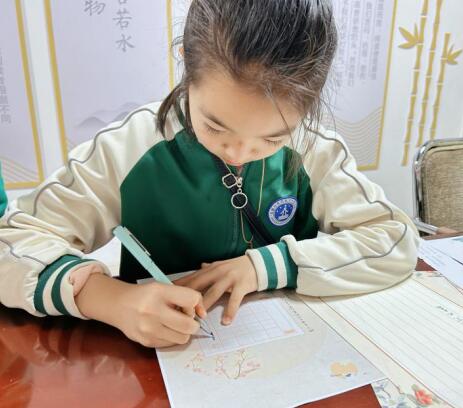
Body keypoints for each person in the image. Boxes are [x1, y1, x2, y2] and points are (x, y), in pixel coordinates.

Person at [0, 0, 419, 348]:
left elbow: (394, 239)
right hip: (154, 363)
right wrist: (109, 299)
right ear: (187, 66)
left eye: (272, 138)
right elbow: (11, 244)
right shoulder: (130, 146)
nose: (239, 154)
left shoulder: (315, 150)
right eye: (215, 127)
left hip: (289, 348)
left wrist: (269, 265)